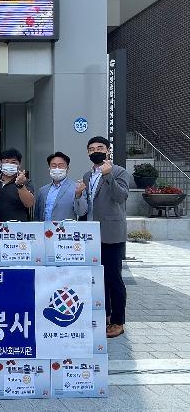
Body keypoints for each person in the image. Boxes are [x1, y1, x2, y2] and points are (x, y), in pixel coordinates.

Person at [81, 136, 130, 338]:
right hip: (91, 234)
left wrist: (108, 176)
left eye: (100, 147)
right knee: (98, 279)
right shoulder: (87, 175)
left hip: (111, 233)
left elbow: (121, 197)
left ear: (108, 150)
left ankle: (118, 321)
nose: (96, 151)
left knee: (113, 278)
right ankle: (105, 316)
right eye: (91, 149)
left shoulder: (119, 171)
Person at [35, 151, 88, 221]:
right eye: (54, 166)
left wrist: (78, 195)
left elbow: (82, 212)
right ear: (49, 168)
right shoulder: (42, 191)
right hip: (45, 227)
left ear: (67, 168)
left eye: (61, 165)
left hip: (65, 228)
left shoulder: (76, 188)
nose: (57, 168)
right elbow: (37, 216)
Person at [0, 148, 35, 222]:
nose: (9, 165)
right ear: (1, 163)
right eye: (6, 161)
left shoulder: (26, 182)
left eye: (13, 162)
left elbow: (29, 204)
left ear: (19, 165)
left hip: (18, 226)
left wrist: (20, 185)